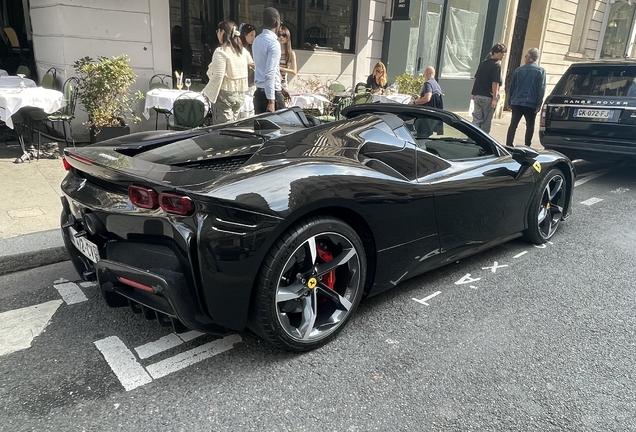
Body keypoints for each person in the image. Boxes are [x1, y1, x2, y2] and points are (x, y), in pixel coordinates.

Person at [201, 20, 253, 124]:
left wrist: (207, 93)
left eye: (218, 31)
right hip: (240, 93)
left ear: (222, 32)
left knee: (222, 129)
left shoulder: (221, 51)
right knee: (232, 127)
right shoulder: (242, 51)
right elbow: (252, 65)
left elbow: (218, 76)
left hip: (225, 94)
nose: (217, 34)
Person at [505, 48, 546, 147]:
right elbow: (541, 88)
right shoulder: (540, 71)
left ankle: (509, 144)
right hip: (531, 103)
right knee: (530, 125)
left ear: (528, 57)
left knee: (513, 125)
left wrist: (509, 102)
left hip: (517, 102)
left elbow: (512, 87)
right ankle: (527, 145)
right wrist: (538, 104)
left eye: (525, 56)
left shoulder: (518, 70)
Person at [252, 7, 286, 113]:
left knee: (260, 129)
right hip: (272, 94)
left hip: (259, 92)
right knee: (282, 128)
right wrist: (271, 101)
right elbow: (270, 73)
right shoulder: (273, 43)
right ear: (277, 23)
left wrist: (282, 88)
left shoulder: (256, 40)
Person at [471, 43, 507, 134]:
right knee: (486, 123)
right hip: (488, 97)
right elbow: (495, 83)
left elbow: (476, 78)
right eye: (501, 53)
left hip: (478, 95)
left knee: (476, 120)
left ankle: (472, 137)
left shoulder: (483, 63)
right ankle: (483, 142)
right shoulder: (496, 66)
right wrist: (494, 98)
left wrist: (474, 93)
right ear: (494, 53)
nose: (502, 55)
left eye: (503, 54)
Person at [413, 66, 444, 138]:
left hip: (425, 116)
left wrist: (415, 102)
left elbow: (427, 98)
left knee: (421, 135)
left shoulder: (428, 83)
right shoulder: (436, 84)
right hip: (433, 116)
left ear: (426, 73)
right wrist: (420, 98)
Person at [239, 23, 256, 88]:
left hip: (250, 82)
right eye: (251, 35)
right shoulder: (239, 48)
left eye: (254, 36)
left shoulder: (253, 48)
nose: (253, 38)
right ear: (244, 34)